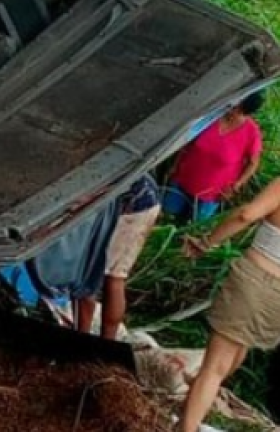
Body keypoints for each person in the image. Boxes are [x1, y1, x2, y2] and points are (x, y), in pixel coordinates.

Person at [178, 177, 280, 432]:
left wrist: (206, 242)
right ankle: (187, 416)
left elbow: (246, 215)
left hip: (256, 278)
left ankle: (186, 428)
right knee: (236, 348)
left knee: (213, 368)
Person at [76, 174, 162, 339]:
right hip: (146, 197)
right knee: (115, 277)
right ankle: (107, 340)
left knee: (87, 274)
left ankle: (82, 337)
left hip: (125, 198)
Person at [163, 93, 265, 224]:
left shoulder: (252, 133)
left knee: (193, 225)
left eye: (236, 107)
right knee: (167, 217)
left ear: (242, 109)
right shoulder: (212, 116)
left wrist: (237, 185)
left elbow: (253, 163)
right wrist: (175, 165)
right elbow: (188, 142)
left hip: (212, 193)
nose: (231, 109)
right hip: (183, 178)